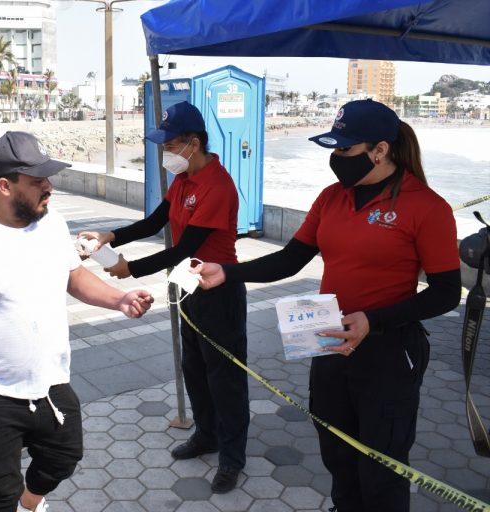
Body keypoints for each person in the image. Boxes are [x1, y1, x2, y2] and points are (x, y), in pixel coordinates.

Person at [192, 99, 461, 512]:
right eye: (333, 149)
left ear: (380, 149)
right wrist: (228, 271)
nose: (336, 159)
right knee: (336, 451)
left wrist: (374, 320)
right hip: (330, 343)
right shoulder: (331, 198)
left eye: (345, 149)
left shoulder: (427, 206)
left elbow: (445, 292)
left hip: (389, 353)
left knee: (382, 465)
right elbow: (289, 258)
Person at [0, 131, 154, 512]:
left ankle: (31, 502)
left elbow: (74, 276)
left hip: (50, 382)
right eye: (38, 181)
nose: (50, 187)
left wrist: (119, 299)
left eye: (48, 179)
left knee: (64, 456)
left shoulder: (52, 224)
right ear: (5, 185)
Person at [78, 101, 248, 494]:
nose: (164, 152)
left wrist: (130, 270)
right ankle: (206, 433)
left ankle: (231, 457)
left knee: (226, 379)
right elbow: (156, 222)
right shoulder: (183, 179)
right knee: (195, 368)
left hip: (219, 289)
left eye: (169, 144)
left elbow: (183, 247)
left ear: (193, 142)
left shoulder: (217, 186)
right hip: (188, 288)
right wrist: (111, 236)